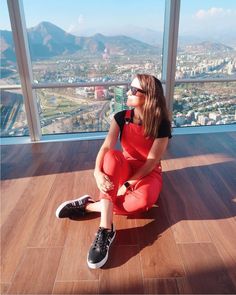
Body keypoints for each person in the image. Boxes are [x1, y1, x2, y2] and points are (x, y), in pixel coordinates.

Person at [55, 74, 172, 269]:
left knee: (142, 202)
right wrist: (97, 173)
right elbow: (106, 147)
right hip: (123, 167)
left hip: (148, 173)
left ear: (149, 96)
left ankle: (89, 206)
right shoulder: (121, 117)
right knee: (112, 157)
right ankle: (105, 230)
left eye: (134, 90)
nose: (128, 92)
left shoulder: (162, 124)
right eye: (130, 88)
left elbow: (150, 164)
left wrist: (126, 185)